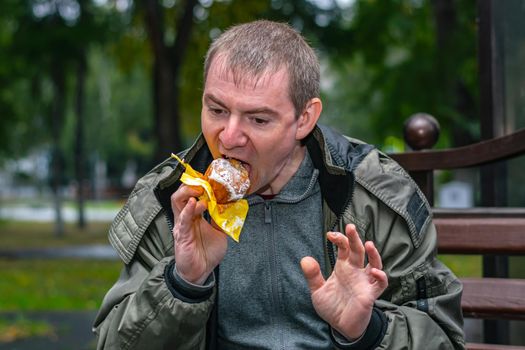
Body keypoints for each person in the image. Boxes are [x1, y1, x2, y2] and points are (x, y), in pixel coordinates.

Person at [93, 20, 465, 349]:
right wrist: (183, 282)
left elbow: (443, 338)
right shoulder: (173, 200)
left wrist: (367, 330)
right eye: (217, 110)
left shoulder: (373, 195)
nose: (230, 136)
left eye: (257, 119)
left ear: (304, 119)